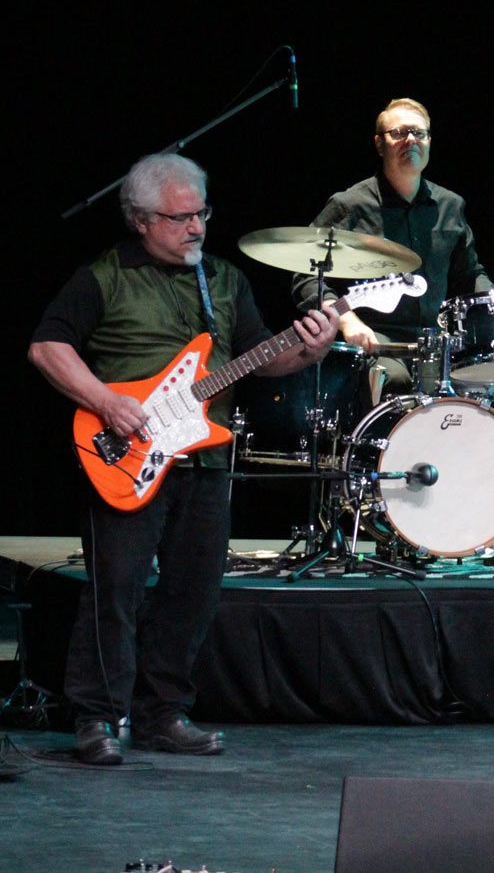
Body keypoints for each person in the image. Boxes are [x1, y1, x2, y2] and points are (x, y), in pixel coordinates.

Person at [29, 153, 340, 765]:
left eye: (201, 213)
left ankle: (161, 713)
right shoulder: (103, 276)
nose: (196, 227)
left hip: (203, 457)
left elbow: (258, 357)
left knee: (192, 591)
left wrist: (307, 351)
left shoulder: (223, 280)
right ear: (140, 220)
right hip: (123, 450)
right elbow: (46, 347)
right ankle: (96, 717)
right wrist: (105, 400)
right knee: (114, 590)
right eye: (180, 218)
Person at [292, 97, 493, 393]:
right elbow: (307, 275)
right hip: (375, 337)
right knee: (397, 380)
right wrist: (348, 322)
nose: (410, 140)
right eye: (398, 133)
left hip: (434, 340)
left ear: (428, 141)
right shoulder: (350, 205)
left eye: (419, 133)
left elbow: (469, 274)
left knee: (491, 382)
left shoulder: (451, 206)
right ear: (379, 144)